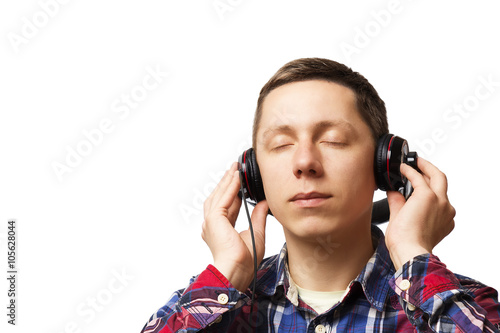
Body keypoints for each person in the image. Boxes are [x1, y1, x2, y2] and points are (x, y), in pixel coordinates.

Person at [140, 58, 500, 332]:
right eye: (281, 144)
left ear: (384, 166)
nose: (305, 163)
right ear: (253, 175)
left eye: (333, 140)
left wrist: (412, 255)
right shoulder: (214, 310)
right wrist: (230, 271)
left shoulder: (467, 304)